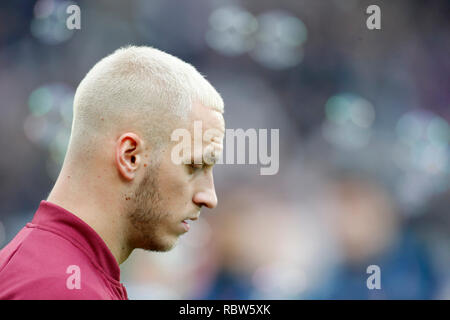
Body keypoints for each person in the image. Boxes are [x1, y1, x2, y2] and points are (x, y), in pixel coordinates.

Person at [0, 46, 225, 299]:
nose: (209, 197)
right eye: (194, 166)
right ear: (130, 156)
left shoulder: (61, 273)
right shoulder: (63, 289)